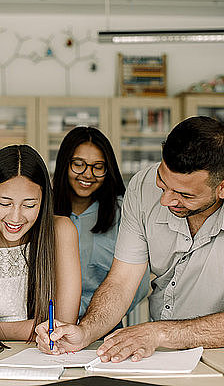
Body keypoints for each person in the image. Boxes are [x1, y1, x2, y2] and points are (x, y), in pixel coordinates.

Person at [36, 116, 224, 363]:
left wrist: (157, 332)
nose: (166, 201)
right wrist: (86, 332)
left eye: (184, 194)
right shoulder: (142, 187)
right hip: (164, 347)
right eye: (163, 182)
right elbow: (122, 282)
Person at [0, 144, 81, 357]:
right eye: (4, 203)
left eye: (29, 205)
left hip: (47, 357)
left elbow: (63, 326)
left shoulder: (61, 231)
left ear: (43, 202)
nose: (15, 217)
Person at [52, 126, 150, 323]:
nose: (88, 174)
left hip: (104, 325)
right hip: (50, 324)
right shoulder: (43, 211)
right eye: (78, 164)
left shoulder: (123, 213)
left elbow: (137, 283)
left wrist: (97, 319)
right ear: (64, 164)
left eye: (98, 166)